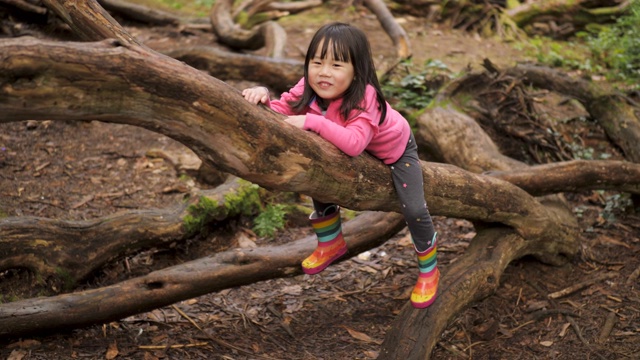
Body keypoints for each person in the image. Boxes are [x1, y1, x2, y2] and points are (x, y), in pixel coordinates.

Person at [242, 22, 439, 309]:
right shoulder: (308, 87)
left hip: (395, 151)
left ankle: (429, 269)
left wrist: (313, 121)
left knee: (414, 208)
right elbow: (282, 112)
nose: (324, 72)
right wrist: (261, 96)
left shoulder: (364, 96)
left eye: (336, 65)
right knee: (316, 166)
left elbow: (355, 144)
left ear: (356, 71)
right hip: (350, 148)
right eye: (317, 62)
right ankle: (331, 240)